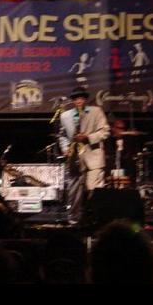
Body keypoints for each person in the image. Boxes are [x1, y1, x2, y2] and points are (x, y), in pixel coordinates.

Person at [58, 86, 110, 225]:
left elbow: (105, 132)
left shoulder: (96, 111)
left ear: (86, 99)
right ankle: (74, 219)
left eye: (81, 98)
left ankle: (95, 218)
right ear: (73, 101)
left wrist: (88, 137)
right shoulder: (65, 116)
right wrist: (65, 148)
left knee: (94, 189)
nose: (79, 101)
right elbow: (62, 135)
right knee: (74, 190)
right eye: (76, 98)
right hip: (74, 158)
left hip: (93, 157)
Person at [107, 119, 140, 186]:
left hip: (125, 168)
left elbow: (130, 155)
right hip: (111, 169)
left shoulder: (127, 140)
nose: (121, 131)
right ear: (113, 128)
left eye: (123, 129)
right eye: (118, 128)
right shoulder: (109, 140)